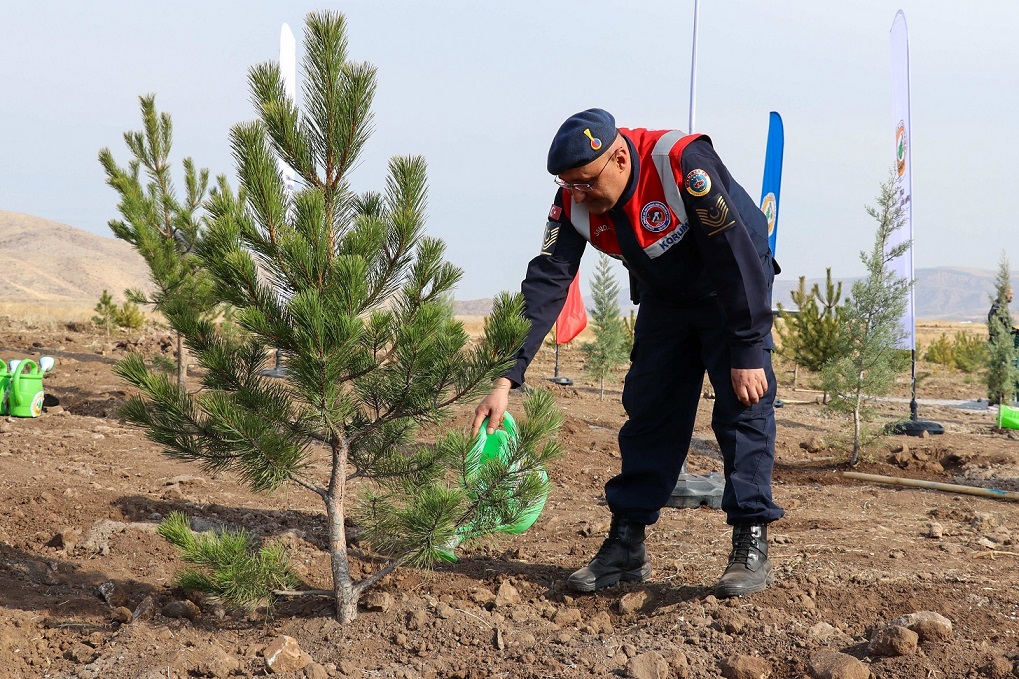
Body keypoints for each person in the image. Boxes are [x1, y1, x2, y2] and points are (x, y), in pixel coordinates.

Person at [472, 108, 783, 598]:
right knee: (649, 414)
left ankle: (750, 540)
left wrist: (746, 346)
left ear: (619, 158)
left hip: (731, 292)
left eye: (585, 182)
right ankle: (626, 546)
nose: (577, 194)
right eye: (568, 184)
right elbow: (547, 282)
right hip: (666, 300)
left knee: (744, 412)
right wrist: (504, 378)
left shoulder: (680, 163)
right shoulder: (573, 202)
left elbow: (736, 255)